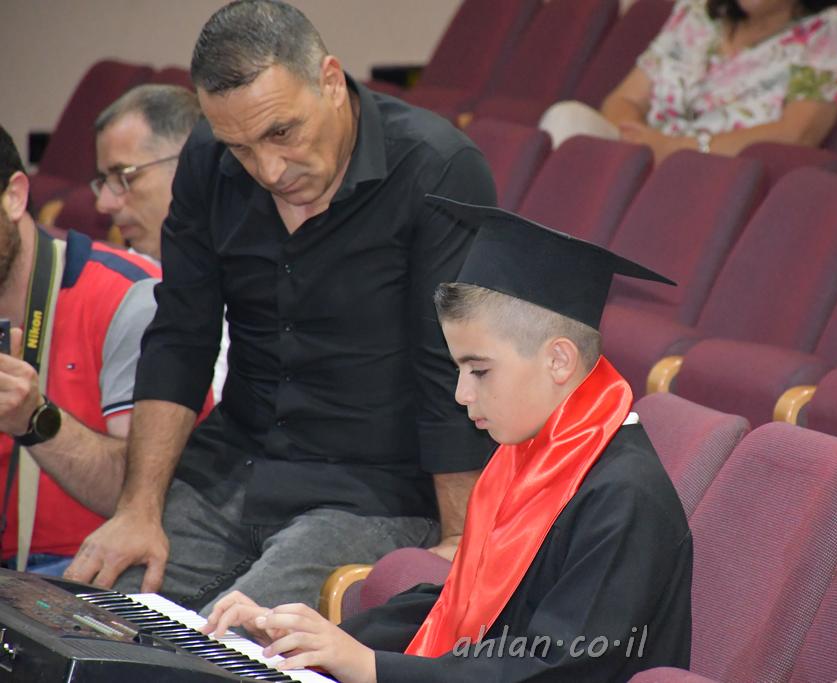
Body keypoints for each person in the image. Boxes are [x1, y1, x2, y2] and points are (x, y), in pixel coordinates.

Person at [65, 0, 497, 615]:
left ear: (330, 81)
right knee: (95, 618)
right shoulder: (207, 159)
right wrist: (138, 509)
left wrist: (459, 543)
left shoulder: (436, 167)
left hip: (371, 490)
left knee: (228, 645)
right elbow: (181, 335)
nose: (268, 169)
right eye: (240, 147)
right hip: (232, 468)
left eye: (281, 133)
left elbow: (451, 365)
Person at [201, 196, 693, 683]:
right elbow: (464, 606)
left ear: (559, 361)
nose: (461, 394)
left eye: (479, 370)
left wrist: (372, 667)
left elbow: (561, 667)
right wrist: (313, 638)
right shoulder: (529, 457)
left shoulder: (624, 497)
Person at [0, 125, 160, 576]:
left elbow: (143, 498)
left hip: (84, 570)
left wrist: (34, 419)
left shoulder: (130, 297)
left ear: (14, 197)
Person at [540, 0, 837, 161]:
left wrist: (677, 148)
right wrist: (640, 140)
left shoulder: (832, 30)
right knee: (567, 117)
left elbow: (798, 134)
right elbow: (622, 99)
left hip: (717, 172)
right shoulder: (696, 13)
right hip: (643, 156)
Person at [93, 84, 229, 403]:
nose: (104, 203)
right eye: (104, 181)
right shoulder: (116, 283)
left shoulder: (252, 274)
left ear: (190, 164)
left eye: (125, 176)